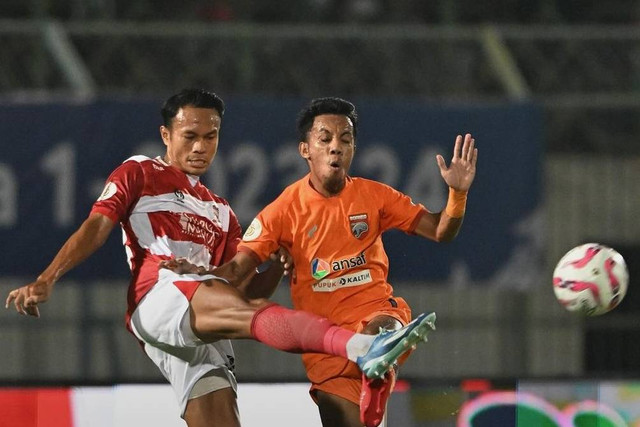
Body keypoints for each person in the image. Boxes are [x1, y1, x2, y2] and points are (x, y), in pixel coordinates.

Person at [5, 89, 436, 427]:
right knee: (249, 311)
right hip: (160, 293)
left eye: (210, 137)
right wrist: (47, 279)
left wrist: (274, 271)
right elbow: (97, 226)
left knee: (226, 397)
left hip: (203, 320)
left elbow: (241, 288)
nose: (200, 146)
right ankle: (360, 346)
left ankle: (362, 348)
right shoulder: (139, 171)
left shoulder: (221, 211)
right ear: (166, 136)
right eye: (189, 136)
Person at [204, 97, 478, 427]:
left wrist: (457, 195)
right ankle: (376, 369)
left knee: (384, 328)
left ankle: (378, 357)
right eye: (325, 139)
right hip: (326, 348)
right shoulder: (282, 211)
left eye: (345, 139)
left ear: (353, 148)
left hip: (374, 312)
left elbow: (439, 231)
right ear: (305, 149)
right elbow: (237, 273)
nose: (336, 147)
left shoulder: (374, 196)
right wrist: (191, 283)